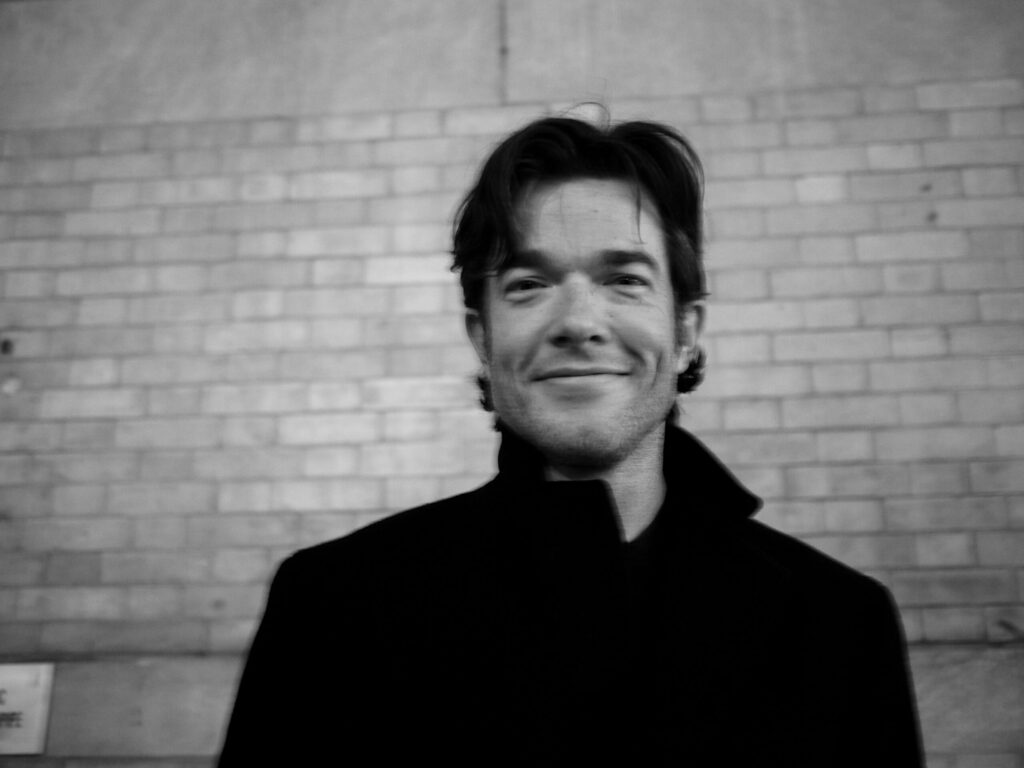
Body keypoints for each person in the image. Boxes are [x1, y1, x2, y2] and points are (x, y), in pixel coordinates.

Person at [217, 116, 924, 766]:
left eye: (624, 279)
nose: (579, 321)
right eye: (529, 285)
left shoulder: (841, 623)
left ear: (687, 333)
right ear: (482, 339)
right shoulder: (333, 609)